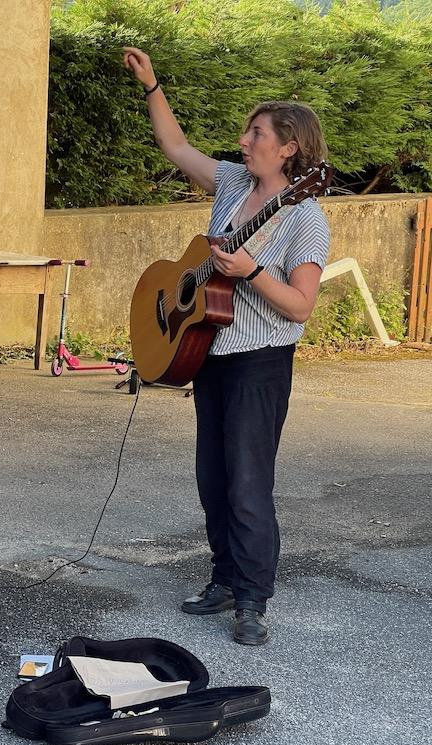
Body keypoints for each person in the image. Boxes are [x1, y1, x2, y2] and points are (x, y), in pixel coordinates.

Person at [123, 47, 331, 646]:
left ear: (289, 146)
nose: (244, 140)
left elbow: (300, 305)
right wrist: (152, 85)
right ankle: (222, 578)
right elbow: (176, 148)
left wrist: (250, 271)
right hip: (209, 352)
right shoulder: (234, 182)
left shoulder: (306, 216)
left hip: (260, 363)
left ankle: (252, 598)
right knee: (212, 478)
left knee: (246, 482)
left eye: (256, 132)